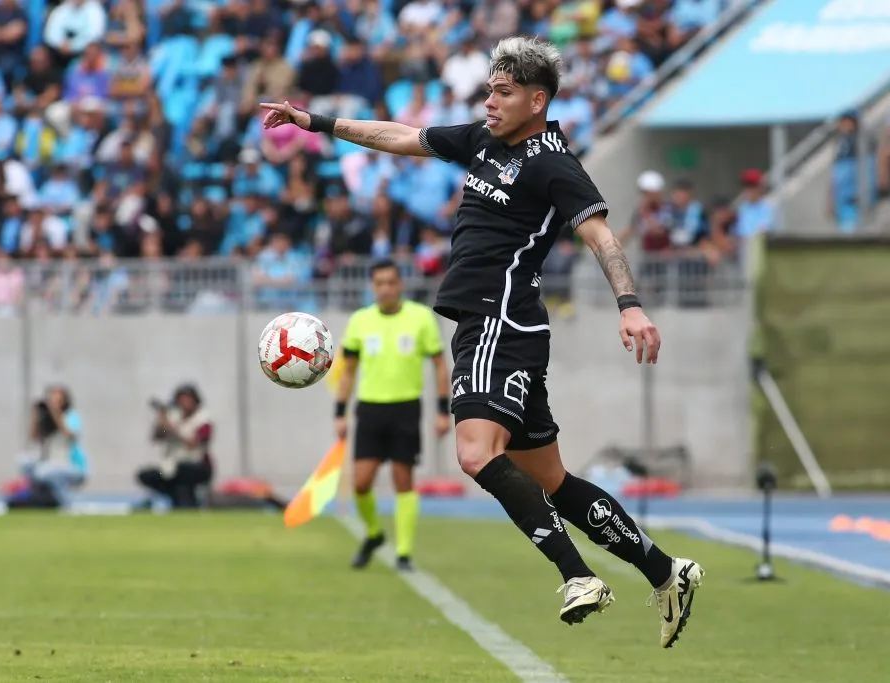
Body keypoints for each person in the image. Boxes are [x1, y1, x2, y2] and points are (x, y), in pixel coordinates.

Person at [261, 35, 703, 648]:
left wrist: (629, 306)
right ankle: (666, 572)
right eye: (489, 90)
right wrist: (316, 122)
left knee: (474, 453)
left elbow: (601, 237)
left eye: (503, 92)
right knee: (550, 479)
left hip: (500, 318)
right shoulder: (485, 141)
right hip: (498, 323)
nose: (489, 102)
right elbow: (402, 136)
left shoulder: (555, 165)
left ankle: (578, 575)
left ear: (537, 99)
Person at [334, 258, 451, 572]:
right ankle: (374, 534)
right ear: (372, 286)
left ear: (399, 284)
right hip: (370, 409)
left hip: (405, 408)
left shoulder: (421, 318)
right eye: (379, 283)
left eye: (390, 282)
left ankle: (403, 553)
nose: (385, 288)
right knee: (360, 483)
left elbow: (440, 365)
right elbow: (348, 371)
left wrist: (443, 411)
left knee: (403, 481)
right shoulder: (360, 320)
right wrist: (339, 412)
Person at [135, 384, 213, 510]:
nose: (184, 402)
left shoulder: (203, 419)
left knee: (182, 479)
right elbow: (157, 437)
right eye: (181, 399)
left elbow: (192, 444)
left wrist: (171, 427)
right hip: (171, 467)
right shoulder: (174, 416)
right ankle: (178, 499)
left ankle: (187, 503)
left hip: (196, 466)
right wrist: (162, 421)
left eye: (188, 399)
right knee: (149, 476)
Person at [22, 384, 88, 508]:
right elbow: (33, 438)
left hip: (73, 465)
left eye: (57, 397)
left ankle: (68, 503)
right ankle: (37, 498)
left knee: (44, 471)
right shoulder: (48, 421)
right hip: (52, 463)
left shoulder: (71, 416)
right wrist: (35, 414)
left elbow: (68, 434)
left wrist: (55, 410)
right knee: (25, 462)